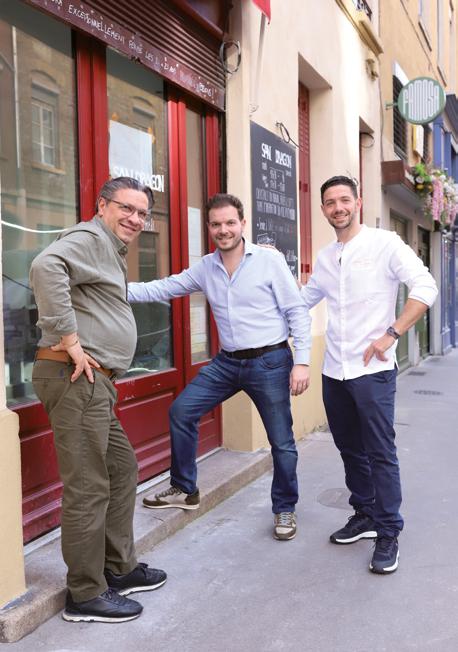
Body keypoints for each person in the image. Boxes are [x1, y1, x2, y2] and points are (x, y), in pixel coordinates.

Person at [128, 193, 312, 541]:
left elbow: (296, 310)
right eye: (216, 224)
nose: (223, 230)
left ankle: (284, 507)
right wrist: (115, 290)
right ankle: (185, 488)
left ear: (243, 224)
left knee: (281, 441)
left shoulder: (268, 261)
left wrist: (301, 362)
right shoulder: (206, 267)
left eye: (230, 223)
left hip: (270, 361)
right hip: (228, 362)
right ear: (209, 227)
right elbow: (165, 287)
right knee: (182, 411)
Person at [30, 177, 167, 623]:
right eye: (126, 208)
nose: (135, 219)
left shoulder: (108, 248)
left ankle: (117, 568)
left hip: (93, 384)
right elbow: (46, 267)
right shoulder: (90, 237)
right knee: (88, 486)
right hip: (75, 377)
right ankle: (85, 594)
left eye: (142, 213)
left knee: (121, 469)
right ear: (102, 206)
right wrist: (70, 340)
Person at [300, 175, 438, 574]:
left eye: (344, 200)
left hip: (372, 371)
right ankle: (365, 514)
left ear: (357, 203)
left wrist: (391, 333)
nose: (338, 208)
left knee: (380, 452)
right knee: (349, 449)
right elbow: (301, 301)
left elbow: (425, 287)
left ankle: (389, 530)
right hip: (334, 371)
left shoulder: (385, 244)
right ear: (323, 209)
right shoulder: (326, 257)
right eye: (330, 202)